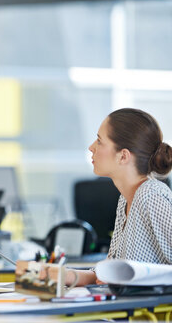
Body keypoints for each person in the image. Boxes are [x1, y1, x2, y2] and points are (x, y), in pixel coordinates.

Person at [66, 108, 172, 286]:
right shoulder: (126, 199)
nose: (91, 147)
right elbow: (107, 272)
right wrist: (60, 275)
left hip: (145, 311)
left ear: (123, 156)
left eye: (100, 141)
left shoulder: (151, 196)